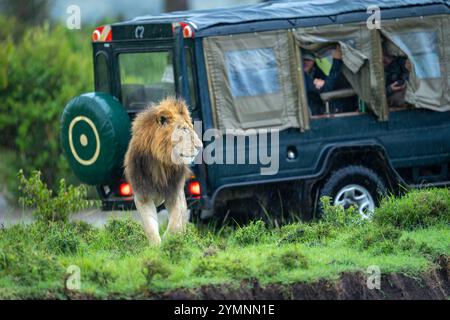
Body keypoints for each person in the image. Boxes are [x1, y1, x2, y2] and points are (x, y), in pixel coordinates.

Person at [303, 45, 343, 115]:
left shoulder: (316, 71)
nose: (305, 62)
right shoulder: (301, 75)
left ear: (313, 61)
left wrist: (321, 82)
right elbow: (326, 87)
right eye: (303, 59)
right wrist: (337, 61)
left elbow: (327, 85)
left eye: (309, 60)